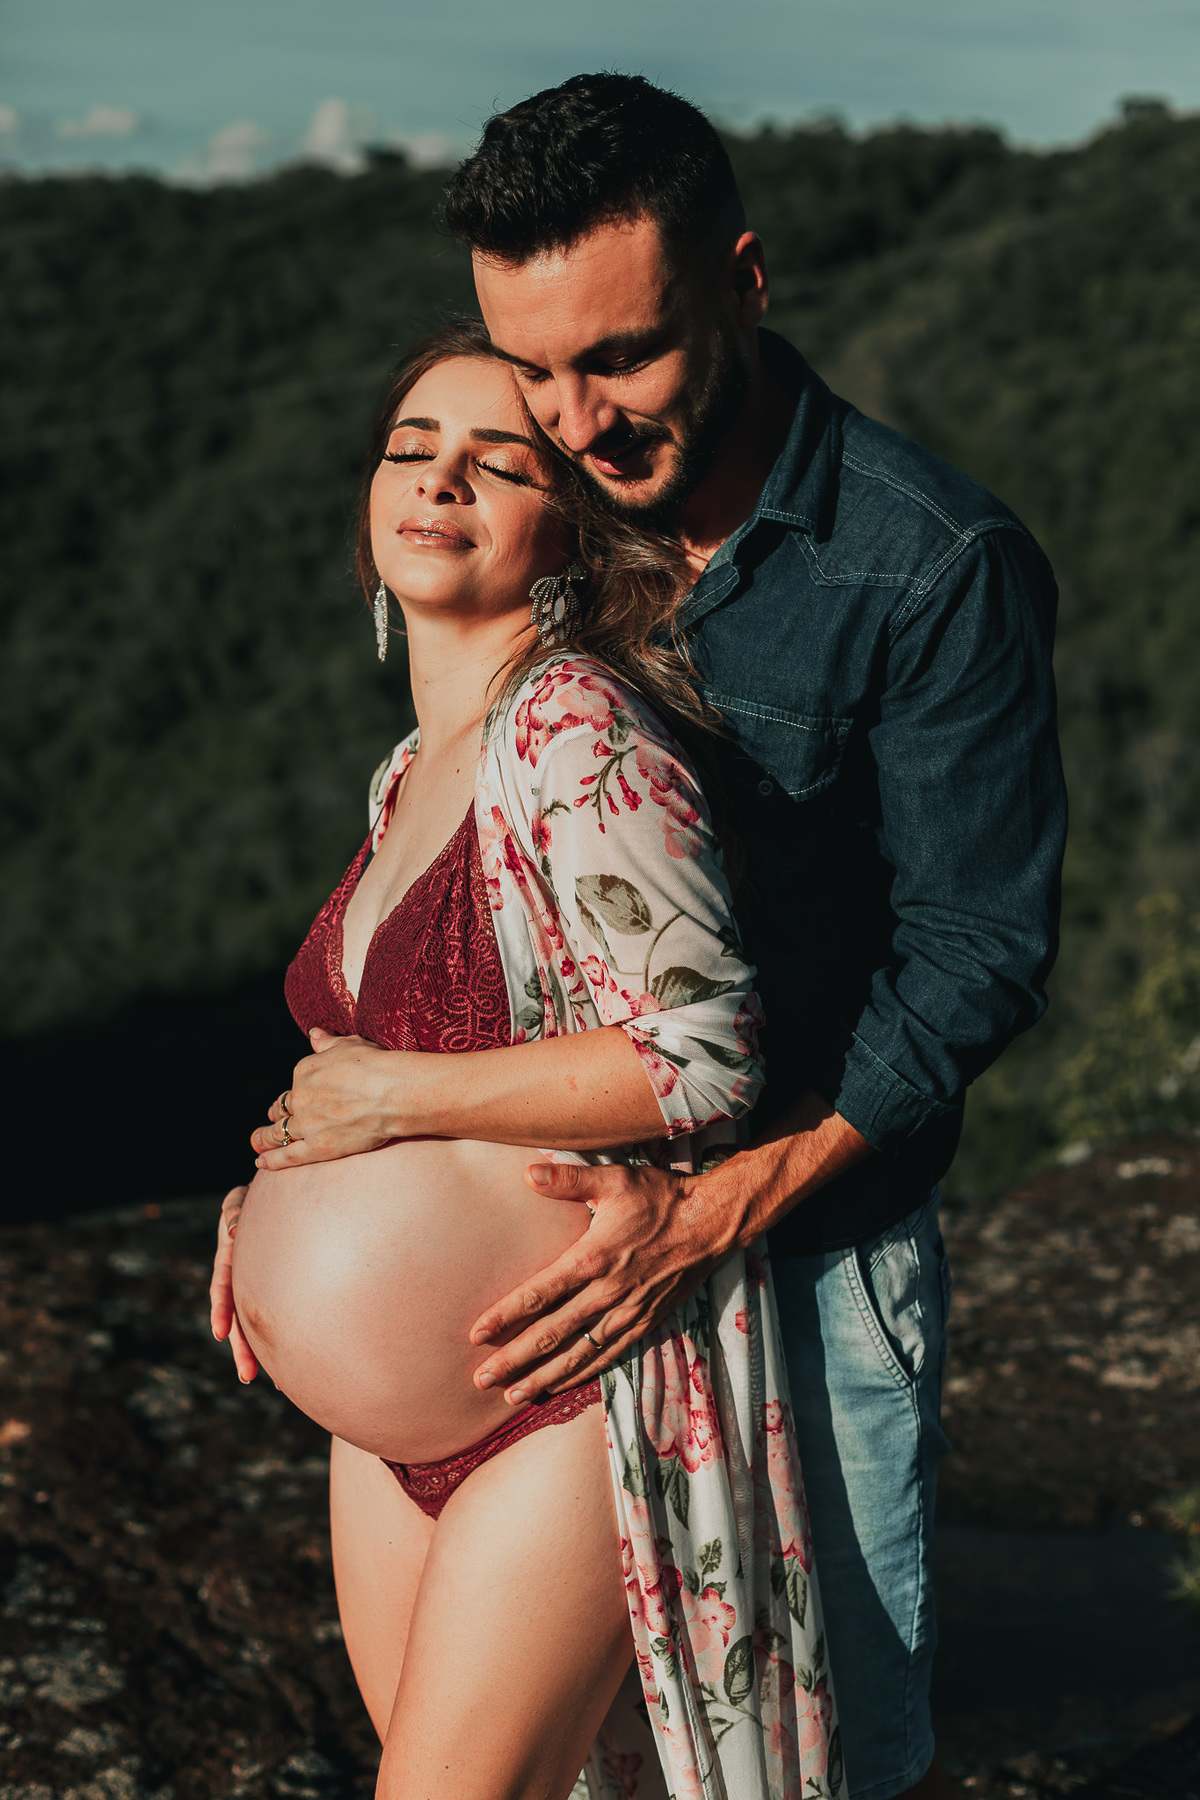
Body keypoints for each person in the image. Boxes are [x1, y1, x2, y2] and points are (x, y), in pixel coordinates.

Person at [240, 75, 1066, 1800]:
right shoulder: (546, 554)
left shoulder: (924, 567)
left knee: (805, 1767)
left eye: (622, 355)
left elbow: (976, 952)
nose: (574, 417)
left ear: (744, 282)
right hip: (515, 1315)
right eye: (529, 369)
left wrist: (714, 1209)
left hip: (807, 1253)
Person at [212, 322, 842, 1799]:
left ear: (568, 527)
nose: (441, 482)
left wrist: (400, 1099)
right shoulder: (411, 765)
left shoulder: (571, 727)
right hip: (391, 1434)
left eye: (497, 462)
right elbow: (352, 1059)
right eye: (412, 450)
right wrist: (275, 1187)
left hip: (566, 1386)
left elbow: (702, 1053)